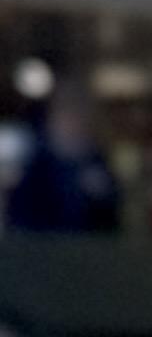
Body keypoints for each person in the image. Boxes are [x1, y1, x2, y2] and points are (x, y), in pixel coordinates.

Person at [4, 80, 122, 237]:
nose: (74, 124)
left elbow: (112, 222)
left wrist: (101, 197)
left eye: (80, 116)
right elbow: (21, 219)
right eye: (67, 115)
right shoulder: (37, 164)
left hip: (87, 246)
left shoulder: (96, 162)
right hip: (42, 245)